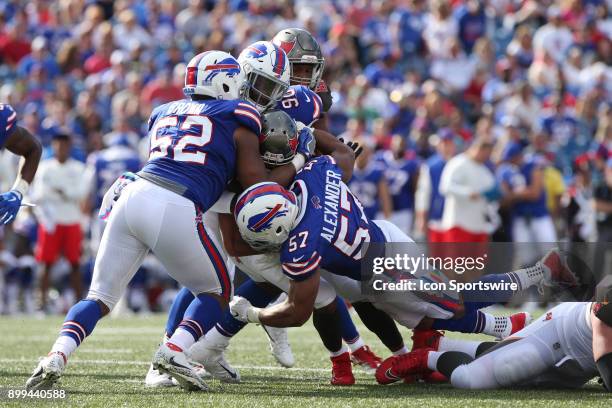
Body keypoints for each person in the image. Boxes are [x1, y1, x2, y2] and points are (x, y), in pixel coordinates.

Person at [26, 49, 304, 392]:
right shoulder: (238, 113)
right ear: (225, 81)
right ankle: (173, 350)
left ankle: (56, 356)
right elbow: (255, 182)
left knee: (98, 297)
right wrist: (298, 158)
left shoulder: (163, 111)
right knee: (217, 291)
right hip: (175, 203)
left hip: (133, 194)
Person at [378, 300, 612, 392]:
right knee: (469, 379)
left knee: (525, 381)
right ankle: (426, 357)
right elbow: (605, 363)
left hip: (577, 364)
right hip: (558, 337)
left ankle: (441, 343)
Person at [31, 133, 88, 311]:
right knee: (46, 263)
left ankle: (79, 302)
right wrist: (64, 193)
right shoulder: (45, 167)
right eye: (57, 145)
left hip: (72, 220)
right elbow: (39, 194)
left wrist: (59, 191)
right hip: (51, 221)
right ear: (53, 146)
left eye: (64, 145)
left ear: (69, 146)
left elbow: (80, 193)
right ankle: (41, 303)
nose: (60, 148)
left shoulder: (78, 168)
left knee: (75, 264)